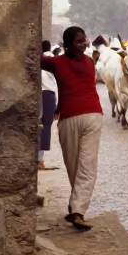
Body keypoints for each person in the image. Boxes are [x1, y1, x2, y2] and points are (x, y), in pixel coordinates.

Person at [41, 26, 103, 231]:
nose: (84, 43)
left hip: (78, 117)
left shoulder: (56, 63)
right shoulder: (88, 62)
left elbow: (33, 58)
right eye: (79, 41)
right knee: (81, 167)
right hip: (85, 116)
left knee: (80, 166)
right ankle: (76, 205)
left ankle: (77, 210)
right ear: (68, 44)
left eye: (84, 40)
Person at [38, 40, 59, 171]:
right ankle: (39, 160)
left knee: (41, 126)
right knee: (45, 127)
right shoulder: (52, 60)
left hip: (40, 93)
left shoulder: (42, 60)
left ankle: (39, 158)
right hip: (48, 95)